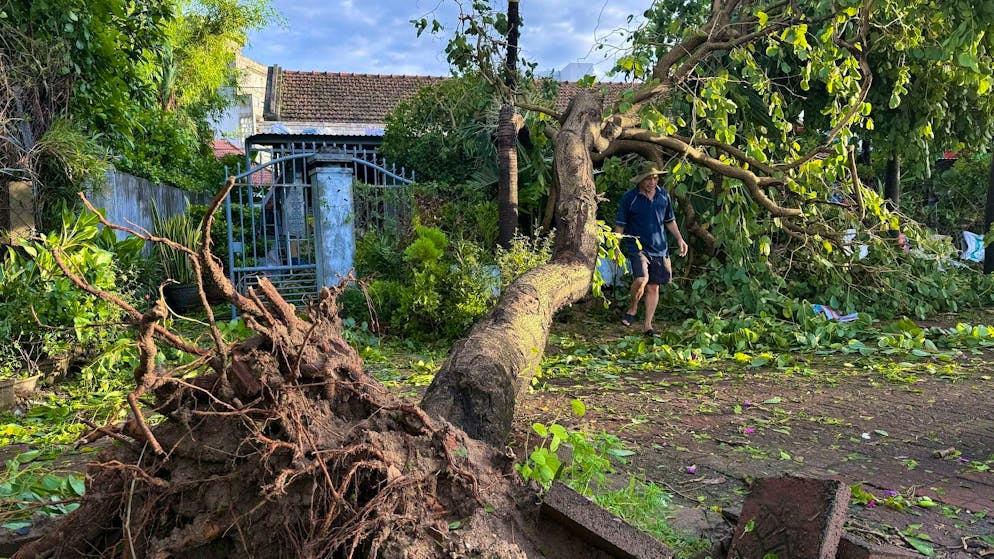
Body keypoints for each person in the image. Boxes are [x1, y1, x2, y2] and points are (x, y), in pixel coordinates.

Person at [614, 160, 688, 337]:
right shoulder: (629, 198)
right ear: (640, 180)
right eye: (648, 179)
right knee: (641, 279)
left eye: (655, 178)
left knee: (654, 287)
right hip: (637, 246)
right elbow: (620, 225)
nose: (652, 182)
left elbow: (669, 220)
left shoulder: (664, 196)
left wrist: (679, 239)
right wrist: (615, 247)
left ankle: (648, 326)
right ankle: (632, 308)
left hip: (659, 247)